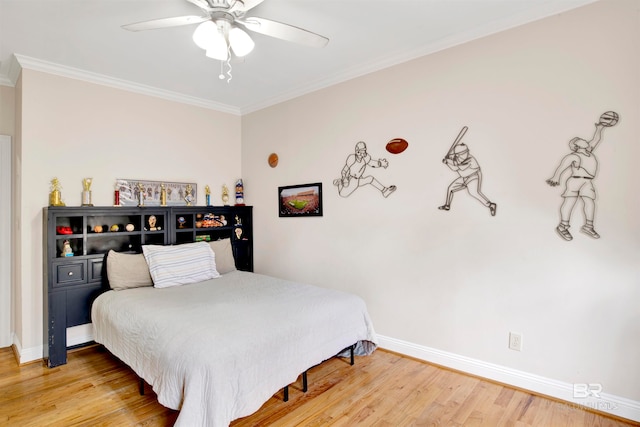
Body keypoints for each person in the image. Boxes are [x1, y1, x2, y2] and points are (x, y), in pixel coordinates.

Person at [546, 123, 605, 240]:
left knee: (590, 202)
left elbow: (596, 139)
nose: (583, 140)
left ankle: (588, 226)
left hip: (588, 182)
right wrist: (556, 177)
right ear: (576, 145)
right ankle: (563, 226)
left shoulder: (589, 152)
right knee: (570, 202)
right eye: (579, 140)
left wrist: (600, 127)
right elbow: (562, 166)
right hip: (575, 181)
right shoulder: (574, 156)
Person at [439, 143, 496, 215]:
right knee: (450, 188)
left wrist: (447, 162)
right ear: (457, 154)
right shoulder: (457, 158)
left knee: (474, 193)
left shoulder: (470, 159)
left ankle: (491, 205)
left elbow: (456, 167)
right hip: (463, 178)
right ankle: (447, 206)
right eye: (462, 153)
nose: (465, 154)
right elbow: (454, 162)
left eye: (465, 152)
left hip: (474, 176)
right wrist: (448, 159)